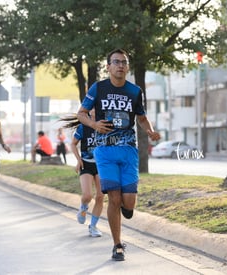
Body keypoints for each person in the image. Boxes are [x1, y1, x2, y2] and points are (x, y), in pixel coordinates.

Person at [77, 49, 161, 261]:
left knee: (129, 202)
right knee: (113, 198)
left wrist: (149, 130)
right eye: (116, 62)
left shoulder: (134, 91)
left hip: (128, 151)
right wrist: (94, 124)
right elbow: (81, 113)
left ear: (128, 67)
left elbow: (141, 118)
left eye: (124, 62)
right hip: (104, 151)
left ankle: (126, 208)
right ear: (108, 66)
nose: (120, 65)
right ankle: (117, 245)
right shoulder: (98, 88)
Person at [61, 110, 104, 237]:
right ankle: (83, 207)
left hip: (102, 165)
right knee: (87, 195)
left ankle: (93, 226)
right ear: (90, 111)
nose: (95, 109)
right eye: (93, 107)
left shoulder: (105, 124)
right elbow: (73, 144)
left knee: (100, 196)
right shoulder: (83, 127)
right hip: (86, 163)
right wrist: (78, 160)